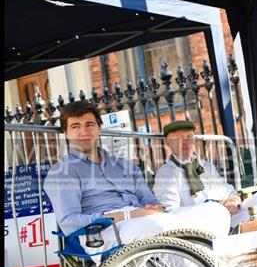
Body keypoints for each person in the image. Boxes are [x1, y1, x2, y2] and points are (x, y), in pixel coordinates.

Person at [43, 100, 231, 255]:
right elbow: (69, 222)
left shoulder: (124, 165)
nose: (84, 131)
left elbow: (151, 202)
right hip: (104, 232)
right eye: (75, 126)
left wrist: (151, 208)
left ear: (99, 128)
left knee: (215, 212)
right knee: (162, 225)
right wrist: (127, 214)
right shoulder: (62, 172)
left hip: (143, 220)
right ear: (66, 133)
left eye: (89, 124)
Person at [153, 120, 257, 229]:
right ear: (168, 143)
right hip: (204, 227)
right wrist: (213, 208)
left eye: (189, 137)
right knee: (217, 211)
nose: (186, 142)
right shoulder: (166, 173)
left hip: (229, 218)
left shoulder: (206, 166)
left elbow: (229, 191)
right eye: (179, 139)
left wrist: (233, 201)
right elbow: (171, 213)